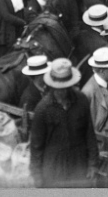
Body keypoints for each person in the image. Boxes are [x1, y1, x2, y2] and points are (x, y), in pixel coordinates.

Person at [30, 58, 100, 187]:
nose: (62, 91)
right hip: (53, 166)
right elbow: (36, 146)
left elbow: (89, 134)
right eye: (58, 88)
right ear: (51, 86)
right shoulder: (42, 109)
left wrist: (93, 164)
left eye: (65, 87)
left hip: (78, 162)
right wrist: (37, 176)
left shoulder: (82, 101)